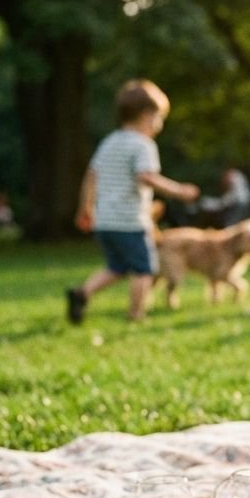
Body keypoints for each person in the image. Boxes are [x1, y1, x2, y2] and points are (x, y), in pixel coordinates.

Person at [66, 79, 200, 324]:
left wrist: (84, 208)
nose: (159, 124)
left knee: (117, 267)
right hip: (129, 221)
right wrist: (179, 190)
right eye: (159, 118)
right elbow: (146, 176)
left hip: (105, 220)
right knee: (144, 268)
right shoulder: (143, 145)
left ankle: (82, 293)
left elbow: (91, 175)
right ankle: (136, 314)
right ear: (147, 115)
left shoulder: (110, 142)